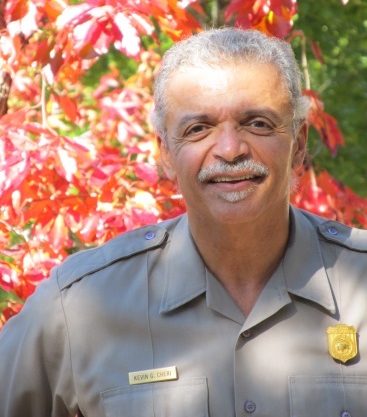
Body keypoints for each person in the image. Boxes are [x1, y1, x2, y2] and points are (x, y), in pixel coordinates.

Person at [1, 28, 367, 417]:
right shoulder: (76, 310)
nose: (229, 149)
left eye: (257, 123)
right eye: (198, 129)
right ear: (166, 154)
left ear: (298, 143)